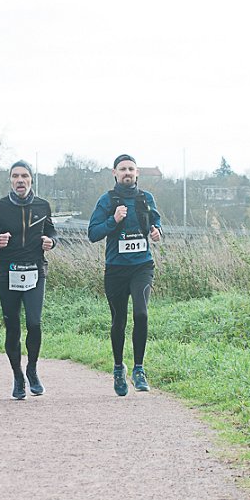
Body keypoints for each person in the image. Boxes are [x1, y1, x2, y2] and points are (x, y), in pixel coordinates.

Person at [88, 154, 162, 396]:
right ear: (115, 173)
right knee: (118, 320)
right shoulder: (107, 200)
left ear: (137, 172)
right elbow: (93, 233)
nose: (127, 173)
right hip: (116, 269)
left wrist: (157, 231)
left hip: (142, 266)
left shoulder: (146, 198)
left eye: (131, 169)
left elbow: (156, 221)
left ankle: (139, 369)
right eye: (123, 169)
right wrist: (113, 220)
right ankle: (119, 368)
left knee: (141, 313)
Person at [0, 160, 57, 399]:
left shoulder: (42, 205)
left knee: (34, 323)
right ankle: (18, 376)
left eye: (24, 176)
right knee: (12, 327)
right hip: (8, 271)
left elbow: (51, 231)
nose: (20, 180)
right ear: (10, 180)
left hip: (35, 271)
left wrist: (51, 241)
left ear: (31, 179)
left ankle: (32, 370)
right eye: (15, 176)